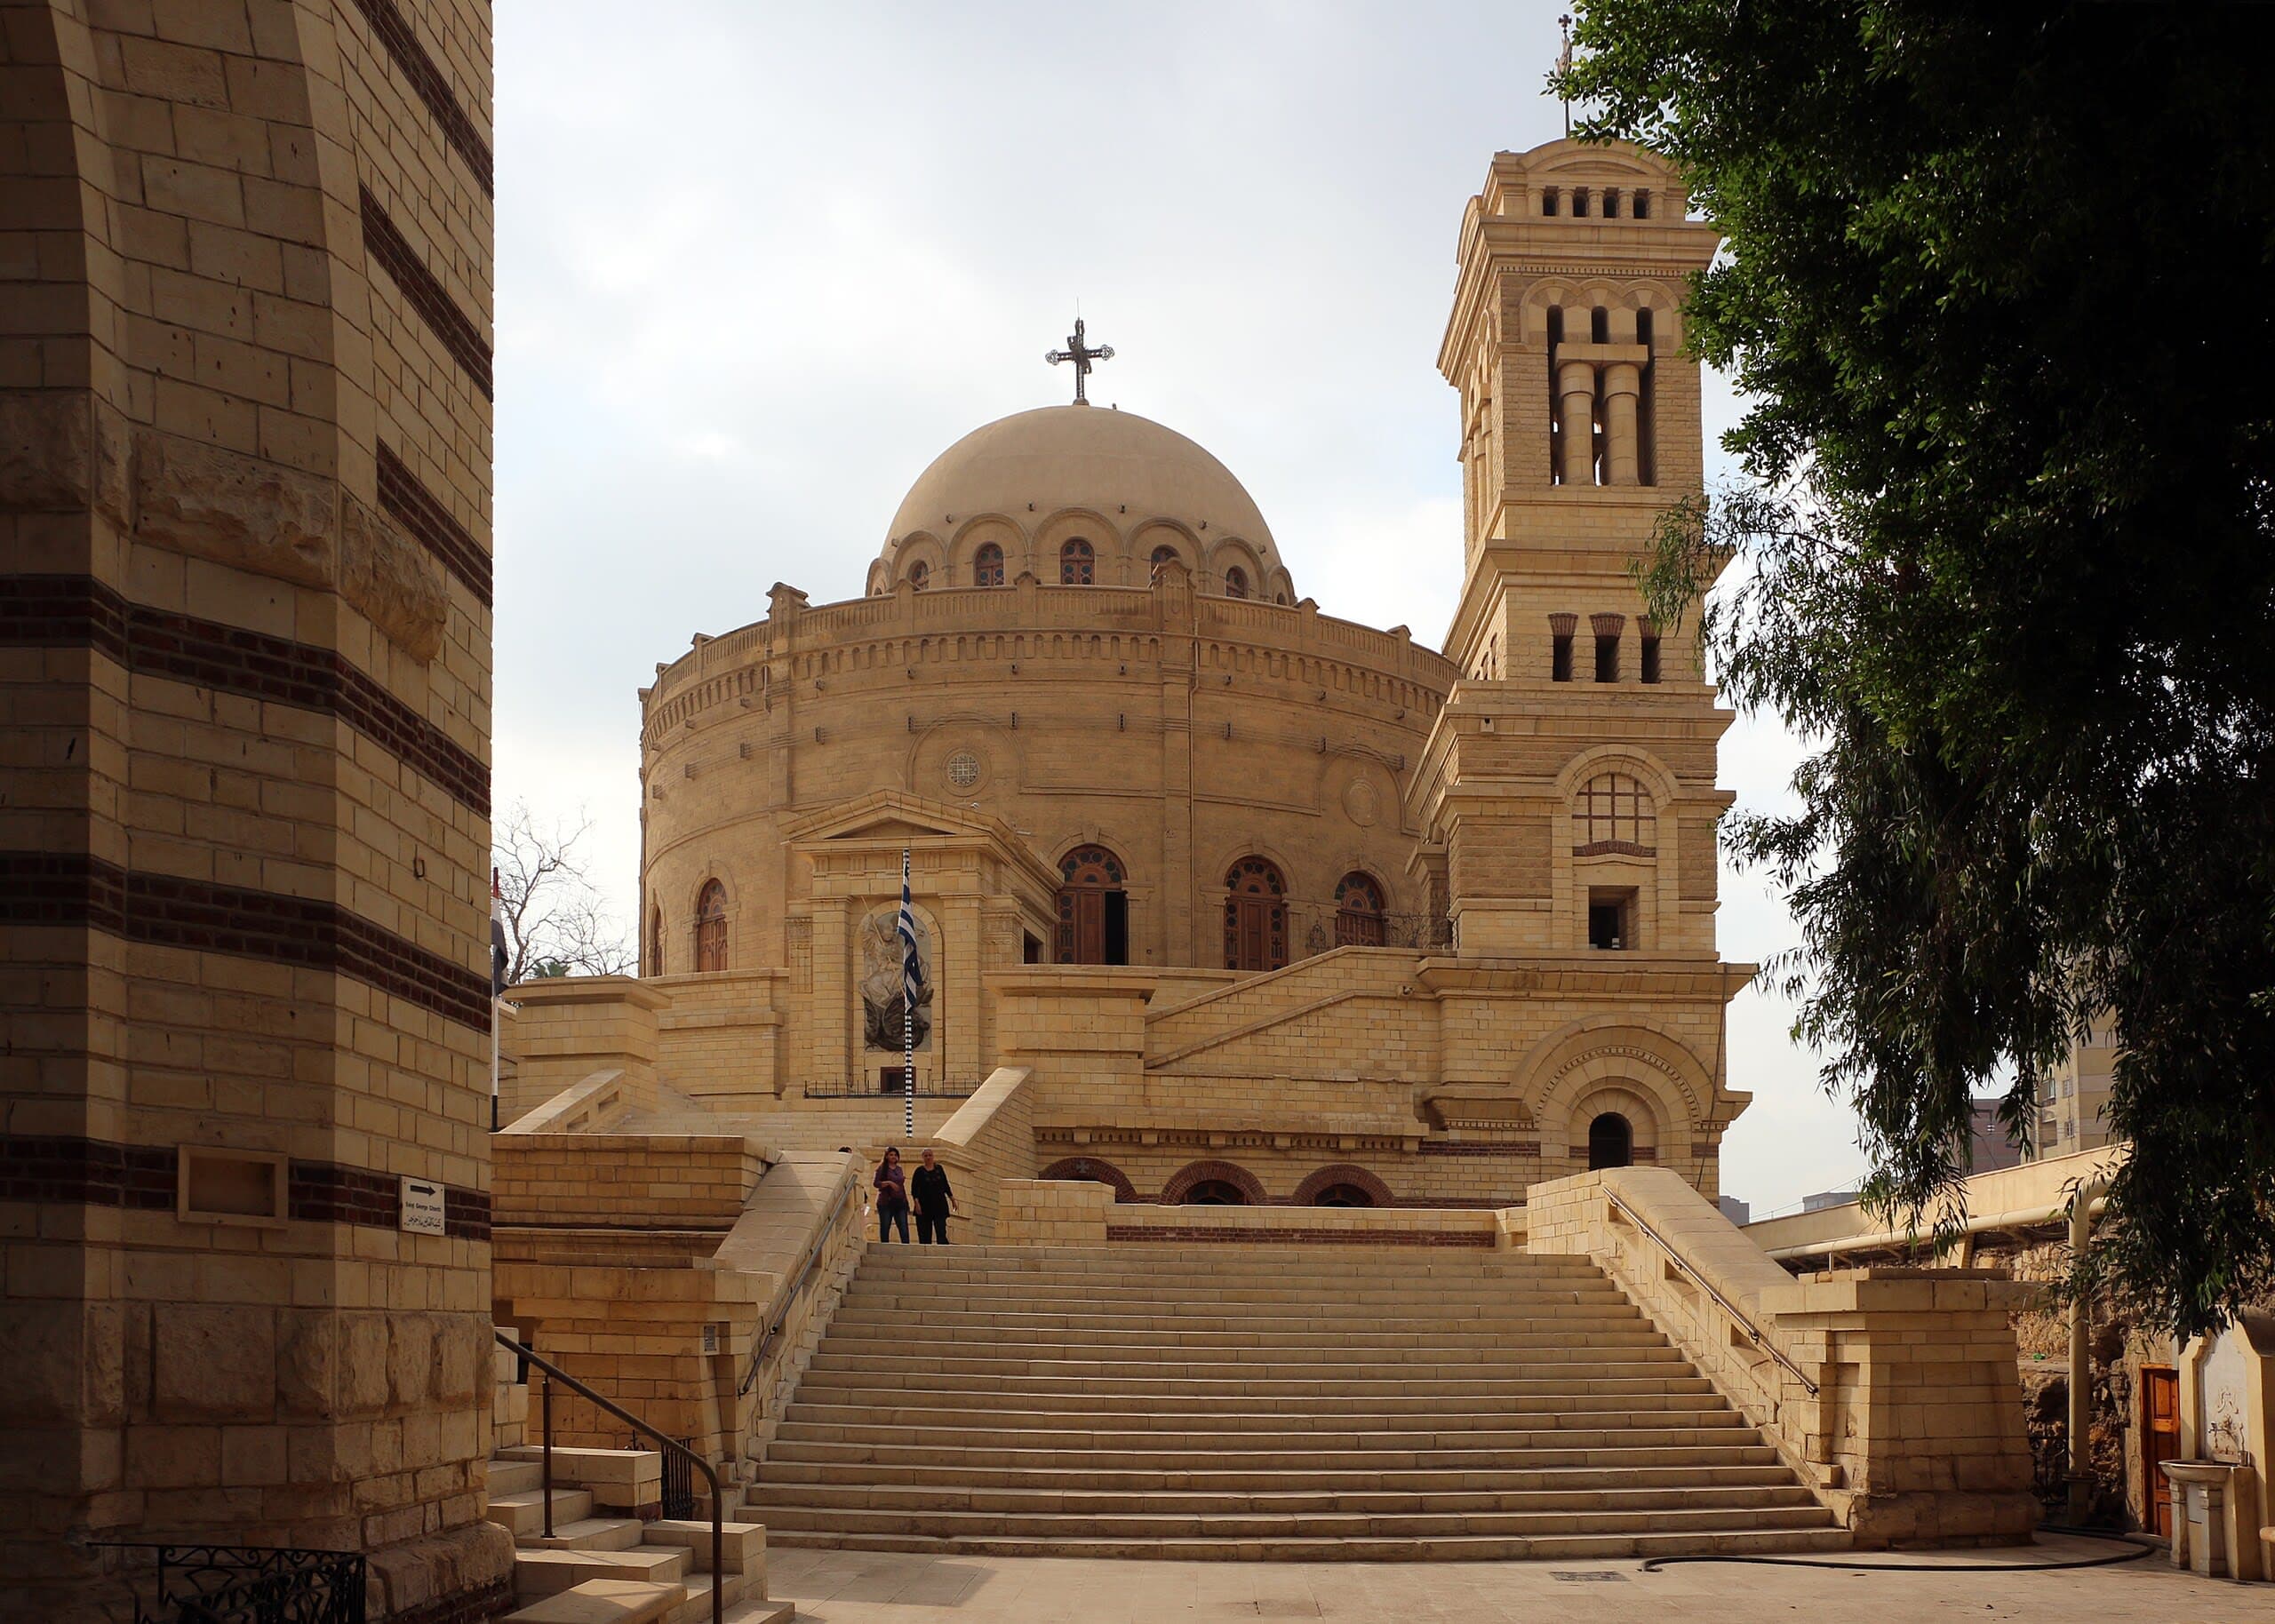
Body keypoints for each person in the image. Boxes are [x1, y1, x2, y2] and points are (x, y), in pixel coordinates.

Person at [911, 1148, 959, 1245]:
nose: (928, 1157)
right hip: (924, 1205)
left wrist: (952, 1199)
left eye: (930, 1155)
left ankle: (943, 1252)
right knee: (925, 1234)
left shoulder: (939, 1169)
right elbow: (914, 1189)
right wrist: (917, 1204)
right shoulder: (919, 1171)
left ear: (933, 1156)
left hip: (939, 1205)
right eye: (926, 1156)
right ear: (923, 1158)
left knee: (941, 1230)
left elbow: (945, 1185)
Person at [873, 1147, 910, 1243]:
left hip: (900, 1201)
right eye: (891, 1155)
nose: (893, 1157)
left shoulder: (899, 1169)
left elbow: (901, 1186)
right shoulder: (881, 1169)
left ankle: (906, 1248)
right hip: (886, 1201)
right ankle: (884, 1248)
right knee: (885, 1226)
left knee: (903, 1227)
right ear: (886, 1156)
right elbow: (876, 1183)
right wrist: (889, 1183)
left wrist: (906, 1200)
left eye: (895, 1155)